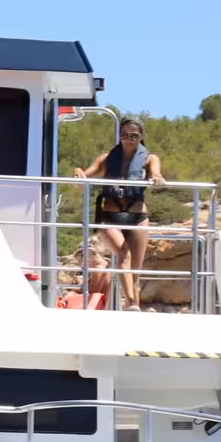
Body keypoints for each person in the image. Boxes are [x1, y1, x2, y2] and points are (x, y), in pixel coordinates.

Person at [72, 119, 165, 311]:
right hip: (110, 216)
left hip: (137, 217)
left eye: (134, 136)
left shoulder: (150, 159)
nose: (129, 139)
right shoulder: (106, 159)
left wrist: (157, 177)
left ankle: (133, 309)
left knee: (135, 273)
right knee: (124, 255)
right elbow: (85, 175)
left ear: (141, 137)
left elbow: (156, 173)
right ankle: (131, 303)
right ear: (119, 136)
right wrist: (78, 172)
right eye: (124, 135)